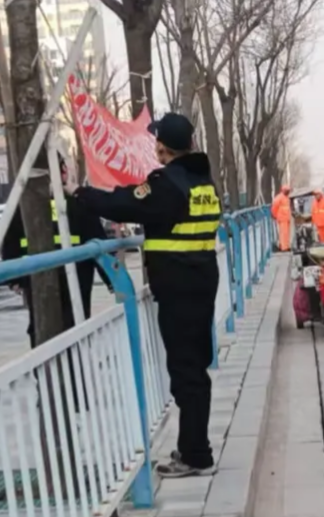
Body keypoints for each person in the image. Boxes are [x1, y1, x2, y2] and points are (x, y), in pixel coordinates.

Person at [72, 112, 221, 478]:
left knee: (185, 372)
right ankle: (194, 447)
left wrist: (84, 195)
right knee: (196, 368)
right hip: (202, 283)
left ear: (162, 147)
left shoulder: (167, 184)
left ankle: (195, 455)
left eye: (157, 141)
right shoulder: (204, 183)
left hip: (179, 290)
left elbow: (126, 204)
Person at [2, 154, 113, 347]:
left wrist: (14, 279)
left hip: (37, 276)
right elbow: (97, 240)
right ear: (62, 171)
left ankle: (46, 363)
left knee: (41, 328)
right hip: (76, 275)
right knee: (75, 324)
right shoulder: (78, 203)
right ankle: (73, 363)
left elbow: (10, 242)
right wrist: (111, 278)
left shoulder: (25, 205)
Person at [271, 184, 292, 252]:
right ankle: (284, 247)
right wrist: (275, 215)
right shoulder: (279, 197)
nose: (288, 192)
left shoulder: (286, 197)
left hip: (286, 218)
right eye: (287, 191)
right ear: (283, 190)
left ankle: (285, 246)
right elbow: (274, 207)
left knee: (286, 233)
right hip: (282, 218)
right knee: (283, 233)